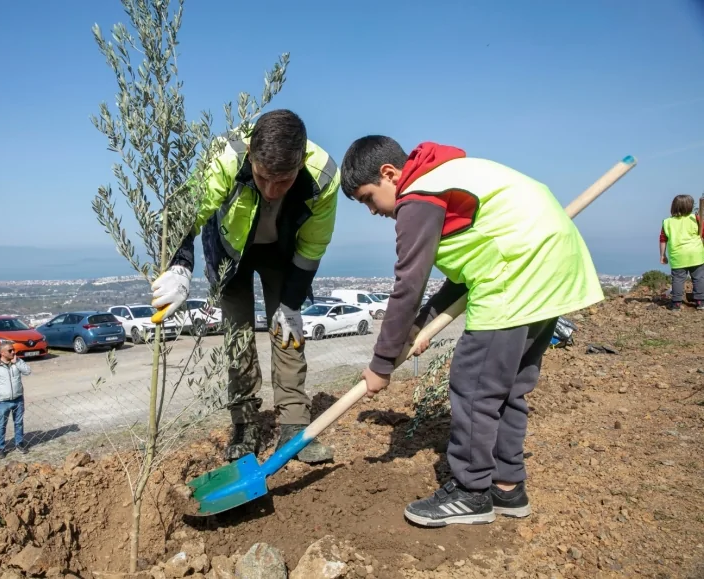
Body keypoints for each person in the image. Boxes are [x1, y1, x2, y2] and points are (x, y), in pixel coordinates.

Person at [340, 137, 603, 527]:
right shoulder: (448, 176)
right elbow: (463, 276)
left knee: (474, 385)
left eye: (366, 198)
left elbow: (408, 284)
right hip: (550, 268)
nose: (371, 210)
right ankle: (506, 487)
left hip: (516, 274)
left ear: (389, 174)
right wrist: (419, 329)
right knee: (508, 387)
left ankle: (470, 492)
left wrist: (381, 364)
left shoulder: (418, 196)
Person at [151, 109, 339, 463]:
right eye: (263, 177)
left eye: (282, 181)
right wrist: (180, 265)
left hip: (282, 252)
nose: (271, 191)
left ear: (299, 164)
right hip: (229, 251)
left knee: (288, 335)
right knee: (238, 335)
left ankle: (294, 428)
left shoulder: (324, 175)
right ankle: (244, 425)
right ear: (251, 154)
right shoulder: (227, 155)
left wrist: (292, 303)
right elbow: (184, 214)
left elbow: (313, 246)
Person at [0, 344, 32, 457]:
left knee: (19, 422)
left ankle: (19, 443)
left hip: (18, 398)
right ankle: (0, 447)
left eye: (14, 350)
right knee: (1, 424)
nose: (13, 352)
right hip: (3, 401)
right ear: (2, 353)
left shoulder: (17, 362)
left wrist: (18, 363)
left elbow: (27, 371)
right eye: (10, 350)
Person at [659, 194, 704, 310]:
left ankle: (676, 303)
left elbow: (663, 240)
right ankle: (700, 301)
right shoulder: (696, 219)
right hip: (696, 254)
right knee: (699, 278)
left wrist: (662, 255)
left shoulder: (667, 222)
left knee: (678, 280)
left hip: (678, 256)